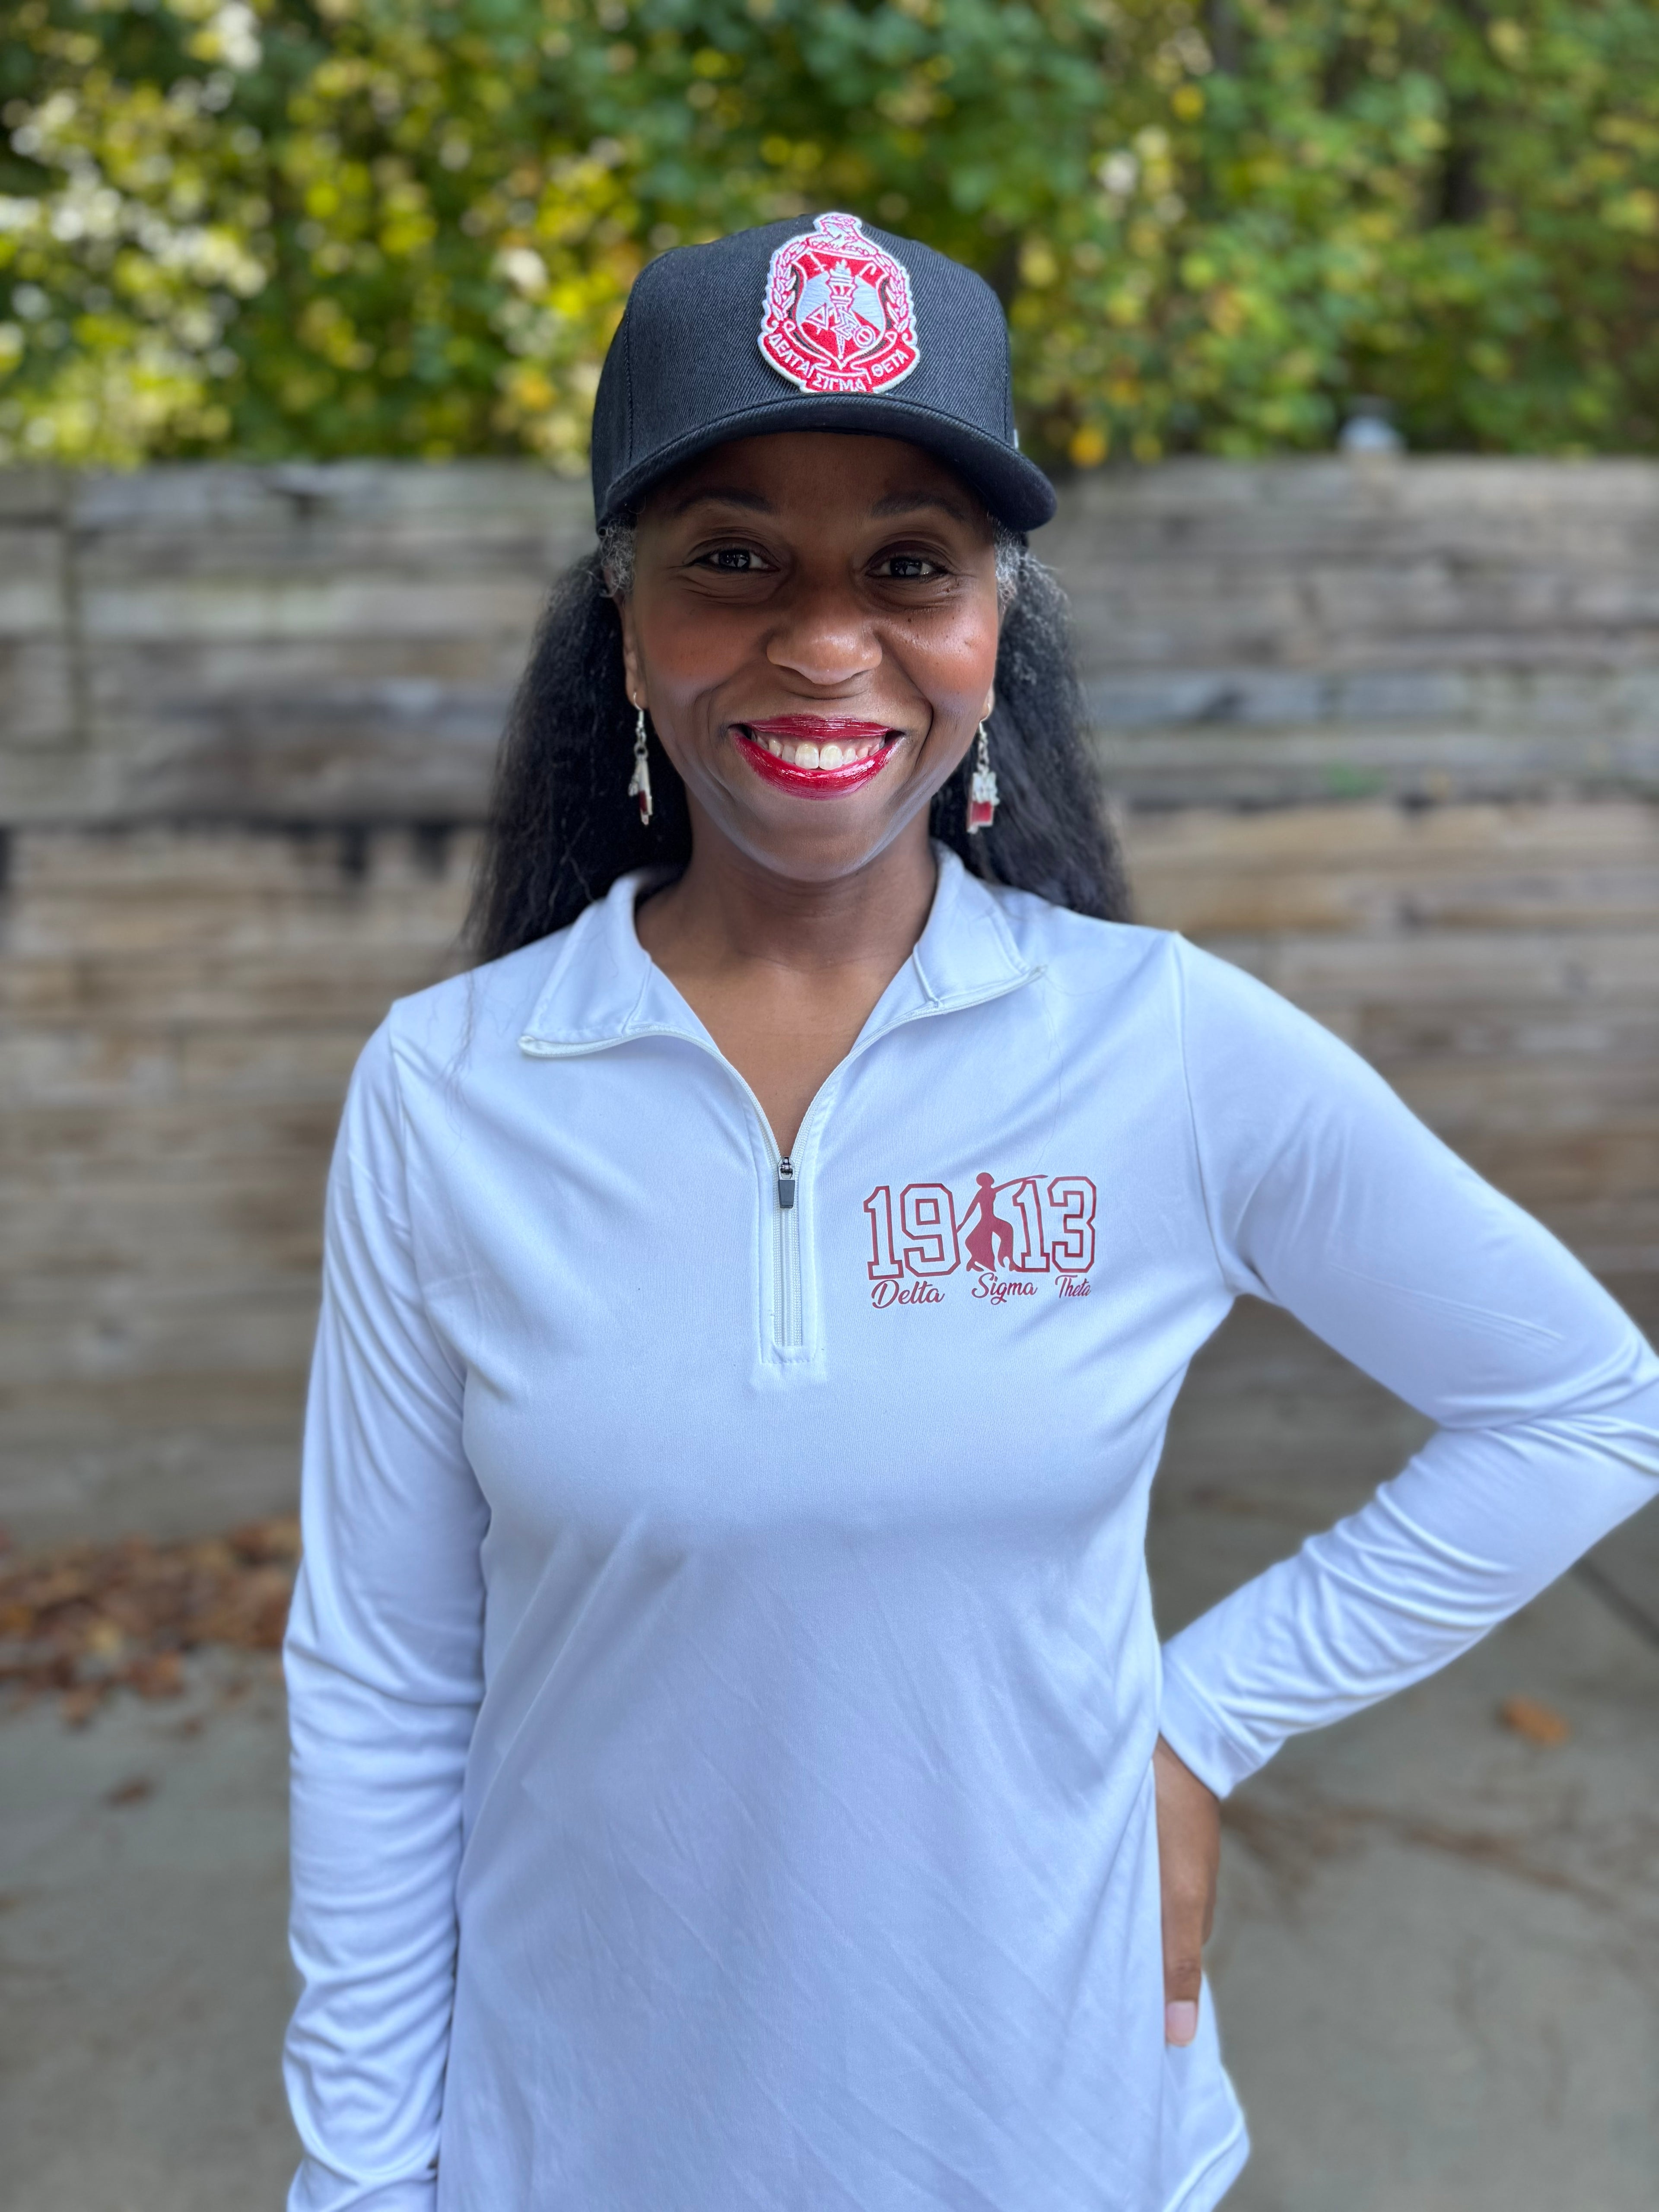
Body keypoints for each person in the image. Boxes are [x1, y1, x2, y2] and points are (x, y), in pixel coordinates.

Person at [282, 213, 1659, 2212]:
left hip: (1050, 2123)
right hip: (577, 2137)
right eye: (733, 556)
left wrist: (1196, 1724)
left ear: (1000, 615)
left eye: (909, 563)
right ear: (625, 612)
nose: (825, 641)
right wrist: (359, 2172)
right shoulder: (451, 1086)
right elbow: (386, 1680)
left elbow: (1585, 1401)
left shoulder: (1161, 1045)